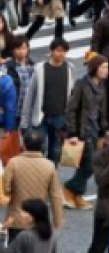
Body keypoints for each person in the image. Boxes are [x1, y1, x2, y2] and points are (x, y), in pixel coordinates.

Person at [62, 54, 109, 210]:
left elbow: (102, 112)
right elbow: (71, 109)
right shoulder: (81, 84)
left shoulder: (101, 86)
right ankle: (69, 188)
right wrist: (72, 133)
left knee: (85, 165)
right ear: (95, 68)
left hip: (96, 131)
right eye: (103, 67)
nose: (106, 70)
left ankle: (76, 195)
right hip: (83, 132)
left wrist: (104, 133)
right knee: (89, 165)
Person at [20, 38, 75, 166]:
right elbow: (30, 95)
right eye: (58, 50)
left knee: (55, 152)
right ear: (51, 51)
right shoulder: (40, 69)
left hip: (60, 118)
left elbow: (72, 96)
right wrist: (24, 121)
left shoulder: (69, 69)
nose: (61, 54)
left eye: (64, 51)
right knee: (38, 149)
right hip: (41, 117)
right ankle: (38, 177)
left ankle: (51, 177)